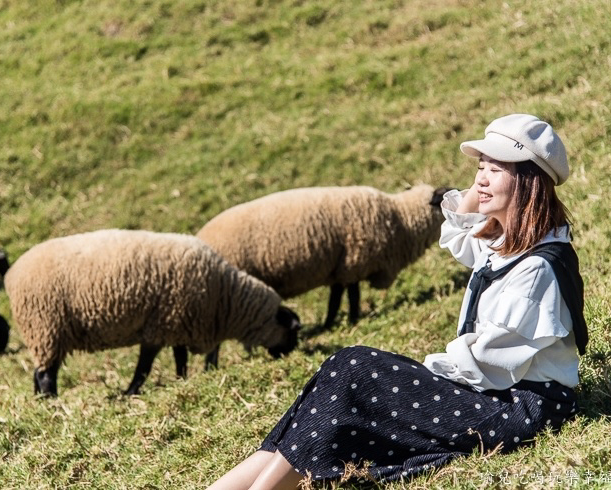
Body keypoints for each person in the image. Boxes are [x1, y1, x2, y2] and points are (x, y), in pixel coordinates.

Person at [208, 114, 588, 489]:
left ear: (528, 182)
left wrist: (415, 375)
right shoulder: (507, 244)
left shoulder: (536, 267)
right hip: (492, 392)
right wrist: (488, 186)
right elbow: (459, 229)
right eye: (480, 166)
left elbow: (489, 363)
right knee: (335, 379)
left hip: (516, 408)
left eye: (496, 169)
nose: (480, 178)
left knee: (354, 369)